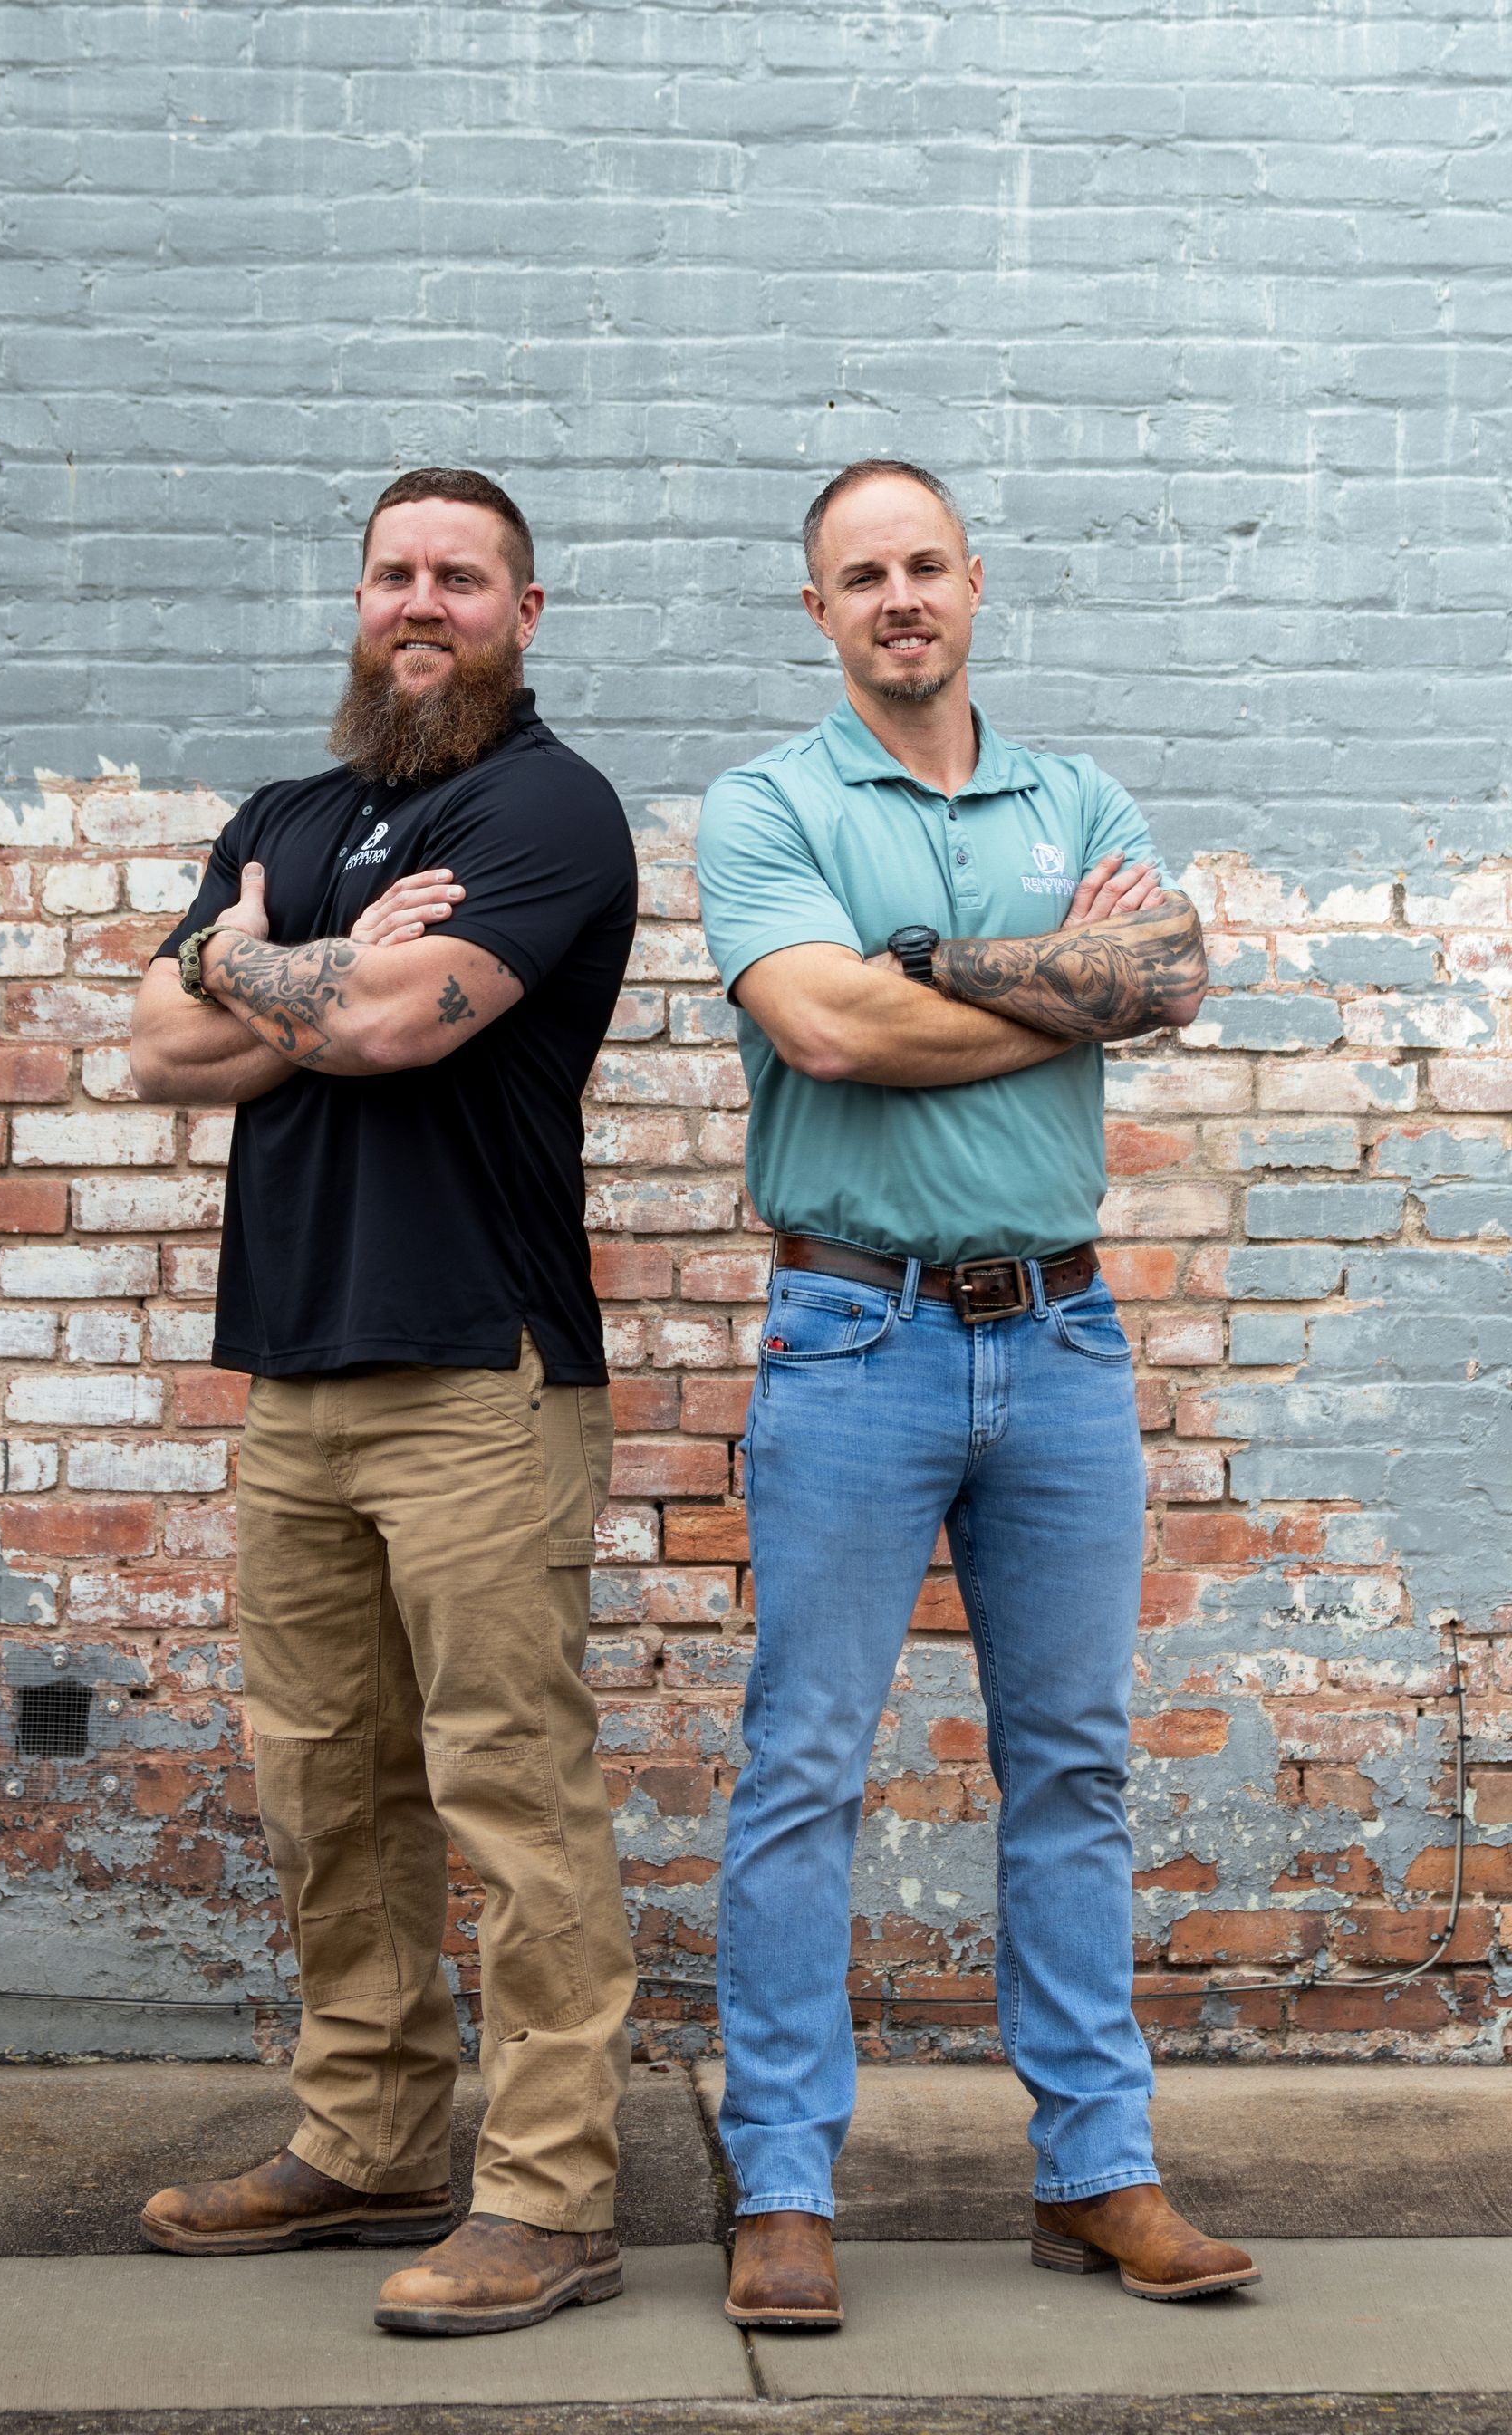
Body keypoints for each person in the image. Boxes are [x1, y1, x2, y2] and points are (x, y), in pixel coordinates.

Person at [695, 458, 1257, 2330]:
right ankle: (783, 2188)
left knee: (1074, 1766)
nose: (899, 598)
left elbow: (1169, 973)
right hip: (853, 1337)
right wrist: (1051, 981)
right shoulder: (768, 803)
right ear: (821, 612)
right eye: (861, 576)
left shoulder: (1074, 793)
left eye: (925, 564)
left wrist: (934, 966)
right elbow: (824, 1027)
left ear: (975, 583)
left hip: (1069, 1343)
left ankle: (1098, 2174)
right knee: (805, 1768)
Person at [128, 468, 638, 2338]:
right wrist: (307, 971)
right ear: (358, 599)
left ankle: (554, 2198)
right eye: (395, 573)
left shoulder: (549, 805)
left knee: (509, 1793)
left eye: (464, 577)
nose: (424, 602)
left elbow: (388, 1028)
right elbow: (155, 1051)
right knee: (325, 1786)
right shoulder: (292, 810)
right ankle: (368, 2147)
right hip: (299, 1374)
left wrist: (257, 963)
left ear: (523, 606)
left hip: (478, 1378)